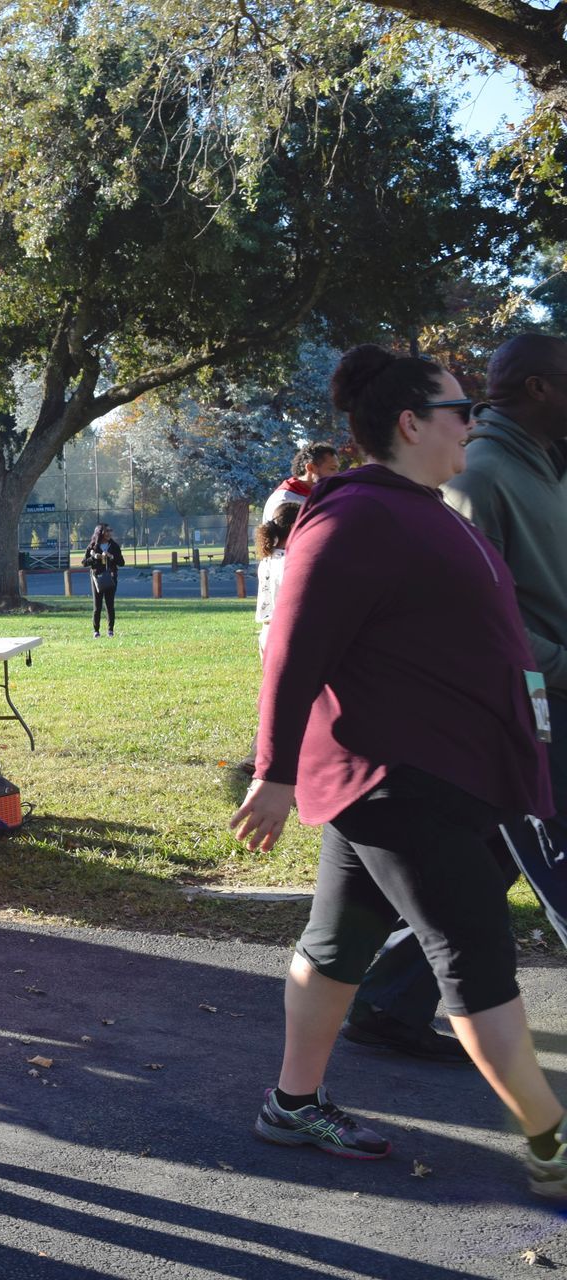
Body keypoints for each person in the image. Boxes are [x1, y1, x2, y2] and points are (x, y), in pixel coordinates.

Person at [231, 346, 567, 1198]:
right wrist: (272, 772)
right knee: (475, 960)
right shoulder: (352, 520)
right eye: (461, 410)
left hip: (430, 771)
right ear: (411, 423)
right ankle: (551, 1145)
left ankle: (291, 1103)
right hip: (400, 783)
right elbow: (293, 652)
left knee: (337, 944)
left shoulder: (426, 508)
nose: (475, 422)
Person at [339, 333, 567, 1063]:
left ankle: (387, 1003)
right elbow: (478, 618)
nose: (462, 421)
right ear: (538, 388)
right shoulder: (482, 475)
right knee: (548, 858)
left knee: (492, 859)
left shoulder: (541, 465)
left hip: (541, 700)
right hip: (528, 708)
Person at [253, 503, 299, 659]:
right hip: (284, 636)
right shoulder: (290, 562)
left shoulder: (268, 559)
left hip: (267, 634)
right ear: (294, 526)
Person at [261, 443, 341, 524]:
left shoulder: (314, 495)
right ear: (310, 468)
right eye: (332, 468)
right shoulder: (285, 501)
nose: (338, 474)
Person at [81, 524, 124, 638]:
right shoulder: (92, 547)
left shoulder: (114, 546)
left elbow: (122, 562)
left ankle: (110, 631)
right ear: (100, 533)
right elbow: (84, 562)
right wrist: (95, 557)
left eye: (110, 530)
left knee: (110, 605)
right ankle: (96, 631)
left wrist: (112, 557)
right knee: (97, 606)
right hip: (97, 578)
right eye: (107, 531)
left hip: (111, 577)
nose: (110, 533)